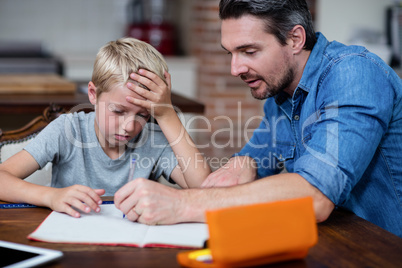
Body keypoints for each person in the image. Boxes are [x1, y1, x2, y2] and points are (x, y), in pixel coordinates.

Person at [114, 0, 402, 236]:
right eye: (231, 53)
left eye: (248, 51)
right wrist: (243, 166)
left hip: (384, 252)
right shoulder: (281, 95)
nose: (235, 68)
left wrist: (181, 203)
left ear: (295, 39)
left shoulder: (354, 74)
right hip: (338, 244)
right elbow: (250, 163)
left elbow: (315, 196)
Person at [0, 37, 210, 218]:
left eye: (143, 115)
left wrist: (167, 114)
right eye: (118, 111)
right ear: (93, 94)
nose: (129, 127)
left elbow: (204, 190)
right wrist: (50, 196)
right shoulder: (68, 130)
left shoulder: (154, 140)